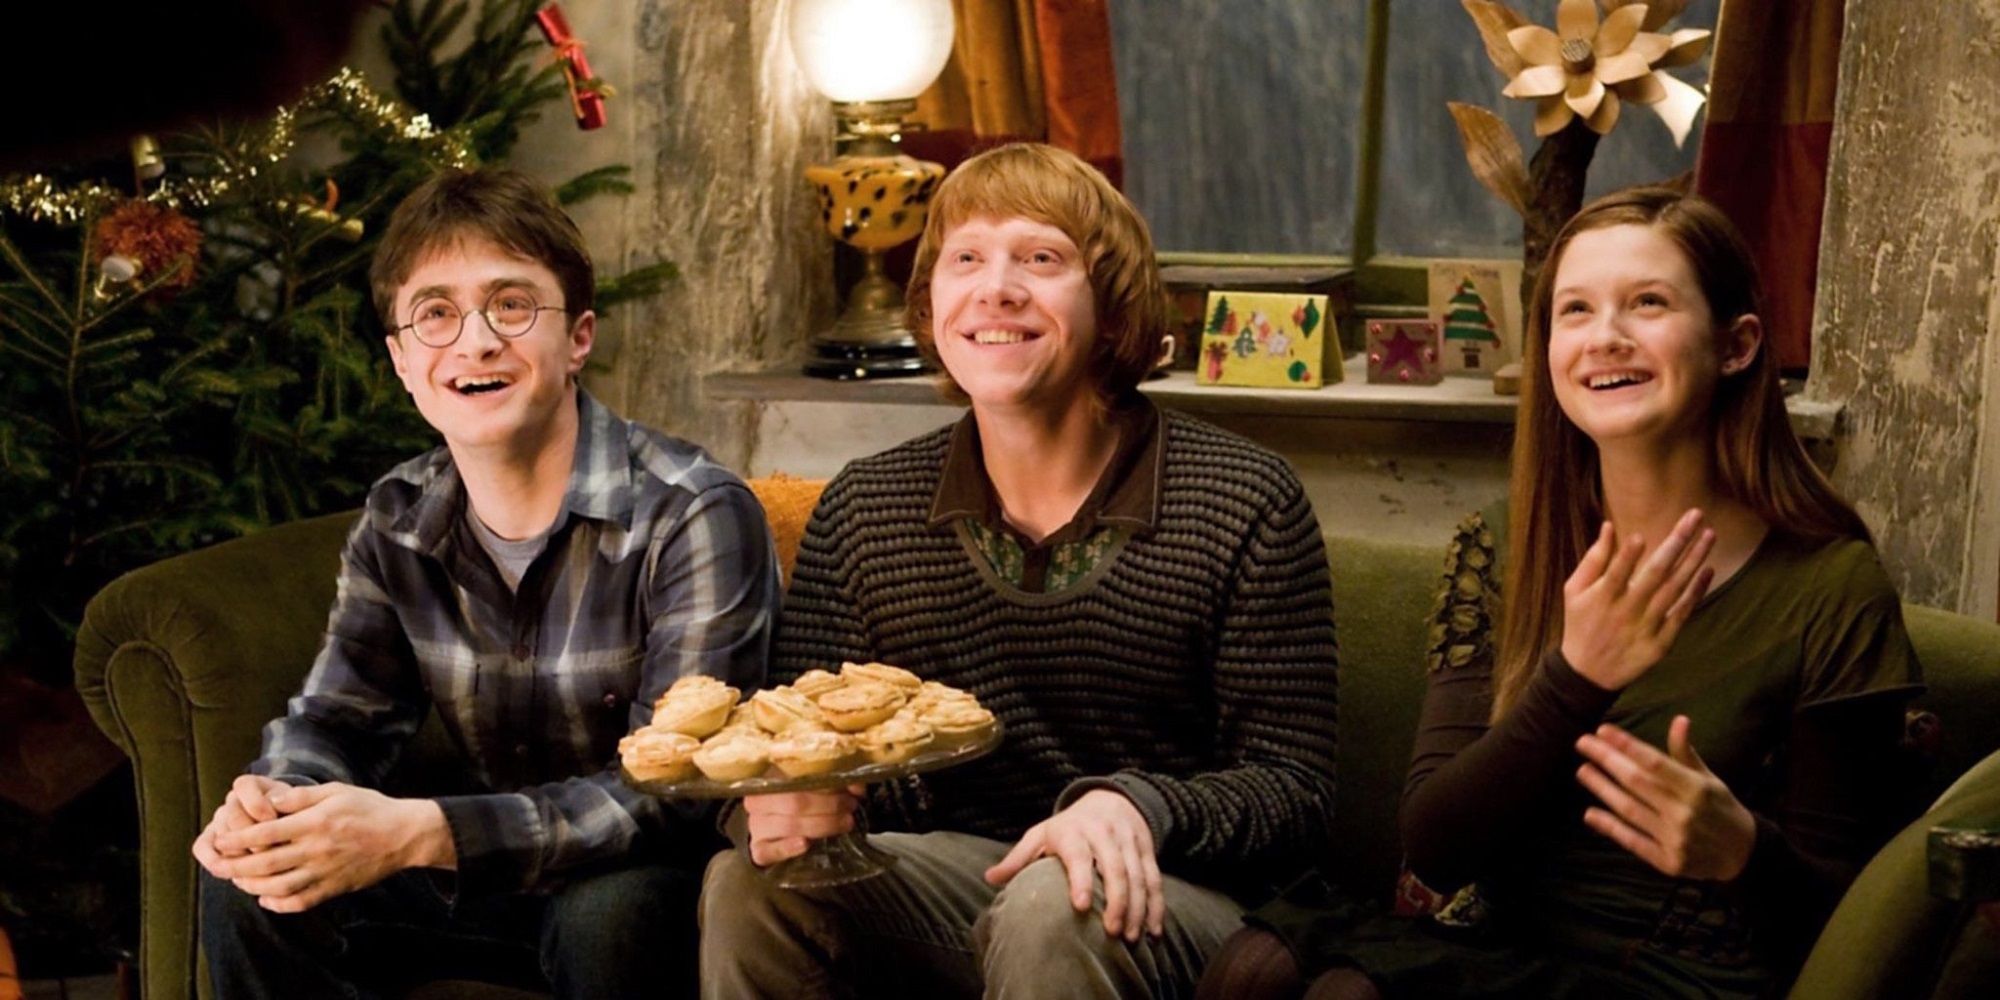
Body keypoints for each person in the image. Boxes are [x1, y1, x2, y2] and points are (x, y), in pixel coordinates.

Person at [1197, 187, 1925, 1000]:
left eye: (1647, 302)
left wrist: (1742, 850)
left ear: (1737, 345)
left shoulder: (1830, 585)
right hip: (1505, 953)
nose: (1606, 337)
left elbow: (1868, 927)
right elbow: (1435, 849)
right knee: (1256, 967)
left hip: (1683, 982)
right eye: (1575, 311)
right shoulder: (1508, 544)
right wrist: (1577, 674)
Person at [698, 142, 1340, 999]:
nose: (995, 288)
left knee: (1054, 901)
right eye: (966, 259)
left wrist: (1137, 807)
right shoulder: (867, 509)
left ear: (1111, 311)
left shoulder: (1243, 501)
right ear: (932, 308)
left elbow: (1294, 793)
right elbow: (801, 747)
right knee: (750, 885)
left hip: (1177, 896)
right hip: (960, 882)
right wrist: (772, 809)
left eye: (1040, 258)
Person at [190, 167, 779, 999]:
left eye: (510, 305)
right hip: (481, 884)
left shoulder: (694, 513)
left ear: (577, 337)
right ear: (401, 360)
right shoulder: (399, 515)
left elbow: (673, 790)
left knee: (610, 914)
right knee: (255, 880)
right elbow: (337, 717)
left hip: (646, 877)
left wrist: (426, 832)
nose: (474, 342)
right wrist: (276, 802)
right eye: (435, 314)